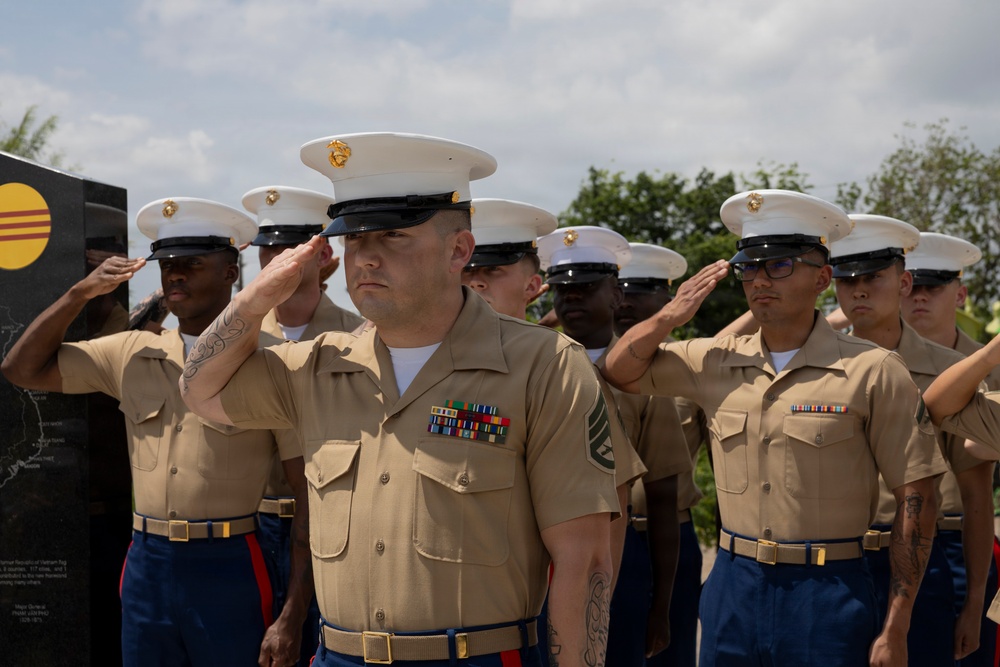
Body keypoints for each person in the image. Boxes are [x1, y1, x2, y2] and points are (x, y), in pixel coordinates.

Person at [179, 132, 621, 667]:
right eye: (354, 240)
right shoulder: (317, 365)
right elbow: (200, 390)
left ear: (460, 249)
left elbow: (584, 558)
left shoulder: (544, 366)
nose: (365, 258)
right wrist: (255, 299)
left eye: (392, 236)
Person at [602, 189, 948, 667]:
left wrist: (897, 625)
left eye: (780, 265)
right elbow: (620, 370)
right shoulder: (714, 360)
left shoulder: (874, 370)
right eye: (750, 267)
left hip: (827, 591)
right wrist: (671, 315)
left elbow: (919, 495)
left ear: (823, 277)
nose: (760, 279)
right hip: (732, 583)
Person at [1, 197, 311, 667]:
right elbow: (21, 368)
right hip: (147, 562)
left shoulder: (273, 362)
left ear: (231, 272)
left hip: (229, 563)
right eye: (167, 264)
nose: (176, 275)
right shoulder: (132, 352)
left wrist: (292, 614)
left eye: (192, 263)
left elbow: (308, 497)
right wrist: (77, 295)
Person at [828, 214, 994, 665]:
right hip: (829, 563)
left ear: (900, 282)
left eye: (873, 277)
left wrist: (975, 601)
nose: (859, 288)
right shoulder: (814, 362)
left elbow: (976, 492)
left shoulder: (952, 372)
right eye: (848, 278)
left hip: (920, 560)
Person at [536, 227, 691, 665]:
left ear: (616, 295)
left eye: (586, 288)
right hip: (534, 560)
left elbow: (663, 497)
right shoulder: (530, 369)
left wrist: (660, 605)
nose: (572, 300)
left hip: (621, 557)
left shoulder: (645, 379)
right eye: (563, 290)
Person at [243, 184, 366, 666]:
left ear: (324, 255)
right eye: (269, 247)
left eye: (294, 247)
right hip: (250, 527)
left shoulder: (358, 334)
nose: (279, 258)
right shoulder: (240, 338)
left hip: (332, 524)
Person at [900, 231, 1000, 666]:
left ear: (959, 294)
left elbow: (980, 479)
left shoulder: (990, 367)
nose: (920, 298)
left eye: (933, 288)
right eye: (912, 287)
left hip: (960, 539)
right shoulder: (877, 365)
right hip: (891, 538)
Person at [613, 242, 704, 667]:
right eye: (621, 289)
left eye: (643, 290)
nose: (629, 300)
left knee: (673, 652)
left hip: (671, 533)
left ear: (668, 300)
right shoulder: (577, 364)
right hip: (611, 537)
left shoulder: (689, 366)